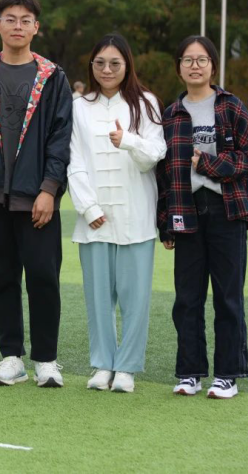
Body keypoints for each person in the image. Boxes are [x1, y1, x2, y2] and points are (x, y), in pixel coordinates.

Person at [0, 0, 72, 388]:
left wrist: (50, 188)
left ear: (36, 27)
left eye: (25, 20)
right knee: (1, 278)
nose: (18, 26)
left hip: (37, 197)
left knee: (43, 277)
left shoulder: (53, 77)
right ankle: (11, 357)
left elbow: (61, 137)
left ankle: (46, 360)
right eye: (10, 19)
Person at [157, 35, 248, 400]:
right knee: (187, 298)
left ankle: (227, 375)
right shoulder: (171, 114)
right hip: (186, 211)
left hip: (226, 211)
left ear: (213, 66)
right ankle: (190, 372)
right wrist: (164, 222)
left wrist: (210, 165)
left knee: (227, 298)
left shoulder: (231, 106)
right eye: (187, 60)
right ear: (179, 68)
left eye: (202, 59)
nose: (195, 66)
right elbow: (163, 173)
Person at [68, 33, 165, 394]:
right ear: (91, 66)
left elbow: (155, 154)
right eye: (100, 63)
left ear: (127, 65)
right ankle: (102, 363)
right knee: (98, 298)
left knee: (135, 298)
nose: (107, 70)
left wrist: (128, 141)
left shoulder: (146, 103)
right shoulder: (79, 106)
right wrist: (87, 206)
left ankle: (127, 368)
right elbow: (73, 160)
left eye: (115, 63)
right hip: (94, 216)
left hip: (136, 213)